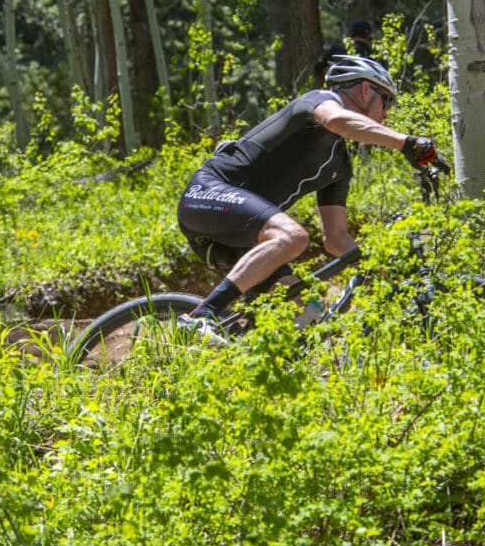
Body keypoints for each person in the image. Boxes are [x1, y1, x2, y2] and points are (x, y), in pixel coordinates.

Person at [176, 54, 444, 340]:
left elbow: (336, 238)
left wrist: (383, 270)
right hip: (206, 195)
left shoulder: (339, 165)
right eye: (386, 102)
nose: (386, 114)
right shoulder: (319, 101)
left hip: (242, 240)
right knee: (292, 236)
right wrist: (405, 143)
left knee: (307, 311)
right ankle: (201, 315)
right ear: (366, 90)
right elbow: (337, 119)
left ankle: (241, 353)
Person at [313, 19, 378, 86]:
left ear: (351, 34)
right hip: (364, 89)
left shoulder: (337, 48)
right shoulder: (372, 54)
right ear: (368, 36)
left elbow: (318, 67)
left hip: (338, 88)